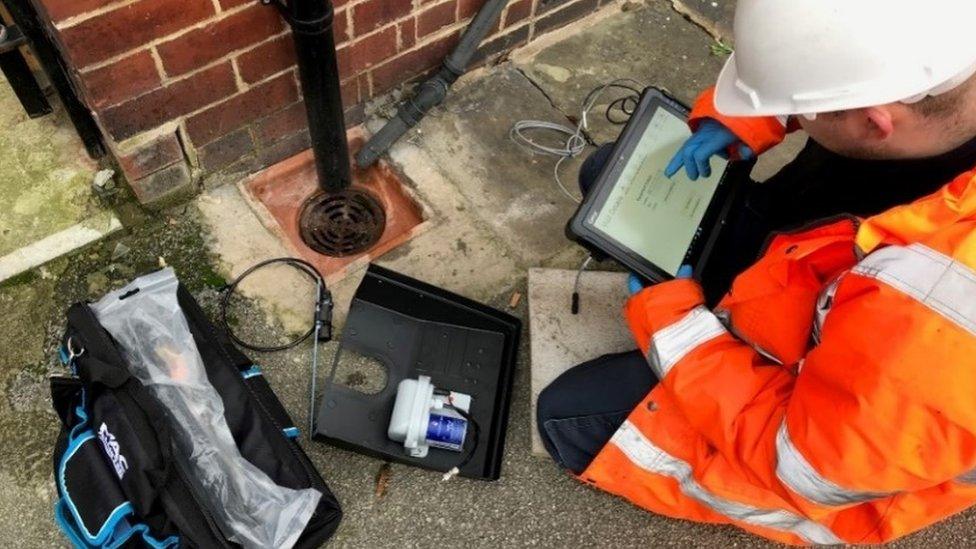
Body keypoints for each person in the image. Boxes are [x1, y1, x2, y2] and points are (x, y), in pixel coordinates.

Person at [537, 0, 976, 543]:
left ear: (874, 122)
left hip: (829, 433)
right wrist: (743, 117)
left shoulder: (940, 319)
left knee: (566, 420)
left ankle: (711, 330)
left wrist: (677, 330)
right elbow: (853, 72)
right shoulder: (951, 65)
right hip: (806, 264)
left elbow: (803, 465)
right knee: (612, 175)